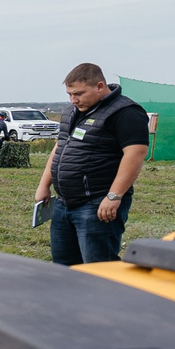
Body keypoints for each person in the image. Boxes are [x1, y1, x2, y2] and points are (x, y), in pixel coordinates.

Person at [34, 64, 149, 266]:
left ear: (99, 86)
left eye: (78, 93)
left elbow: (135, 154)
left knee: (98, 267)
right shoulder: (72, 110)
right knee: (63, 266)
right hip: (64, 203)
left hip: (97, 203)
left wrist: (113, 196)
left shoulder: (126, 112)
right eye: (69, 94)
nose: (73, 99)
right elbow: (60, 146)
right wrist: (44, 185)